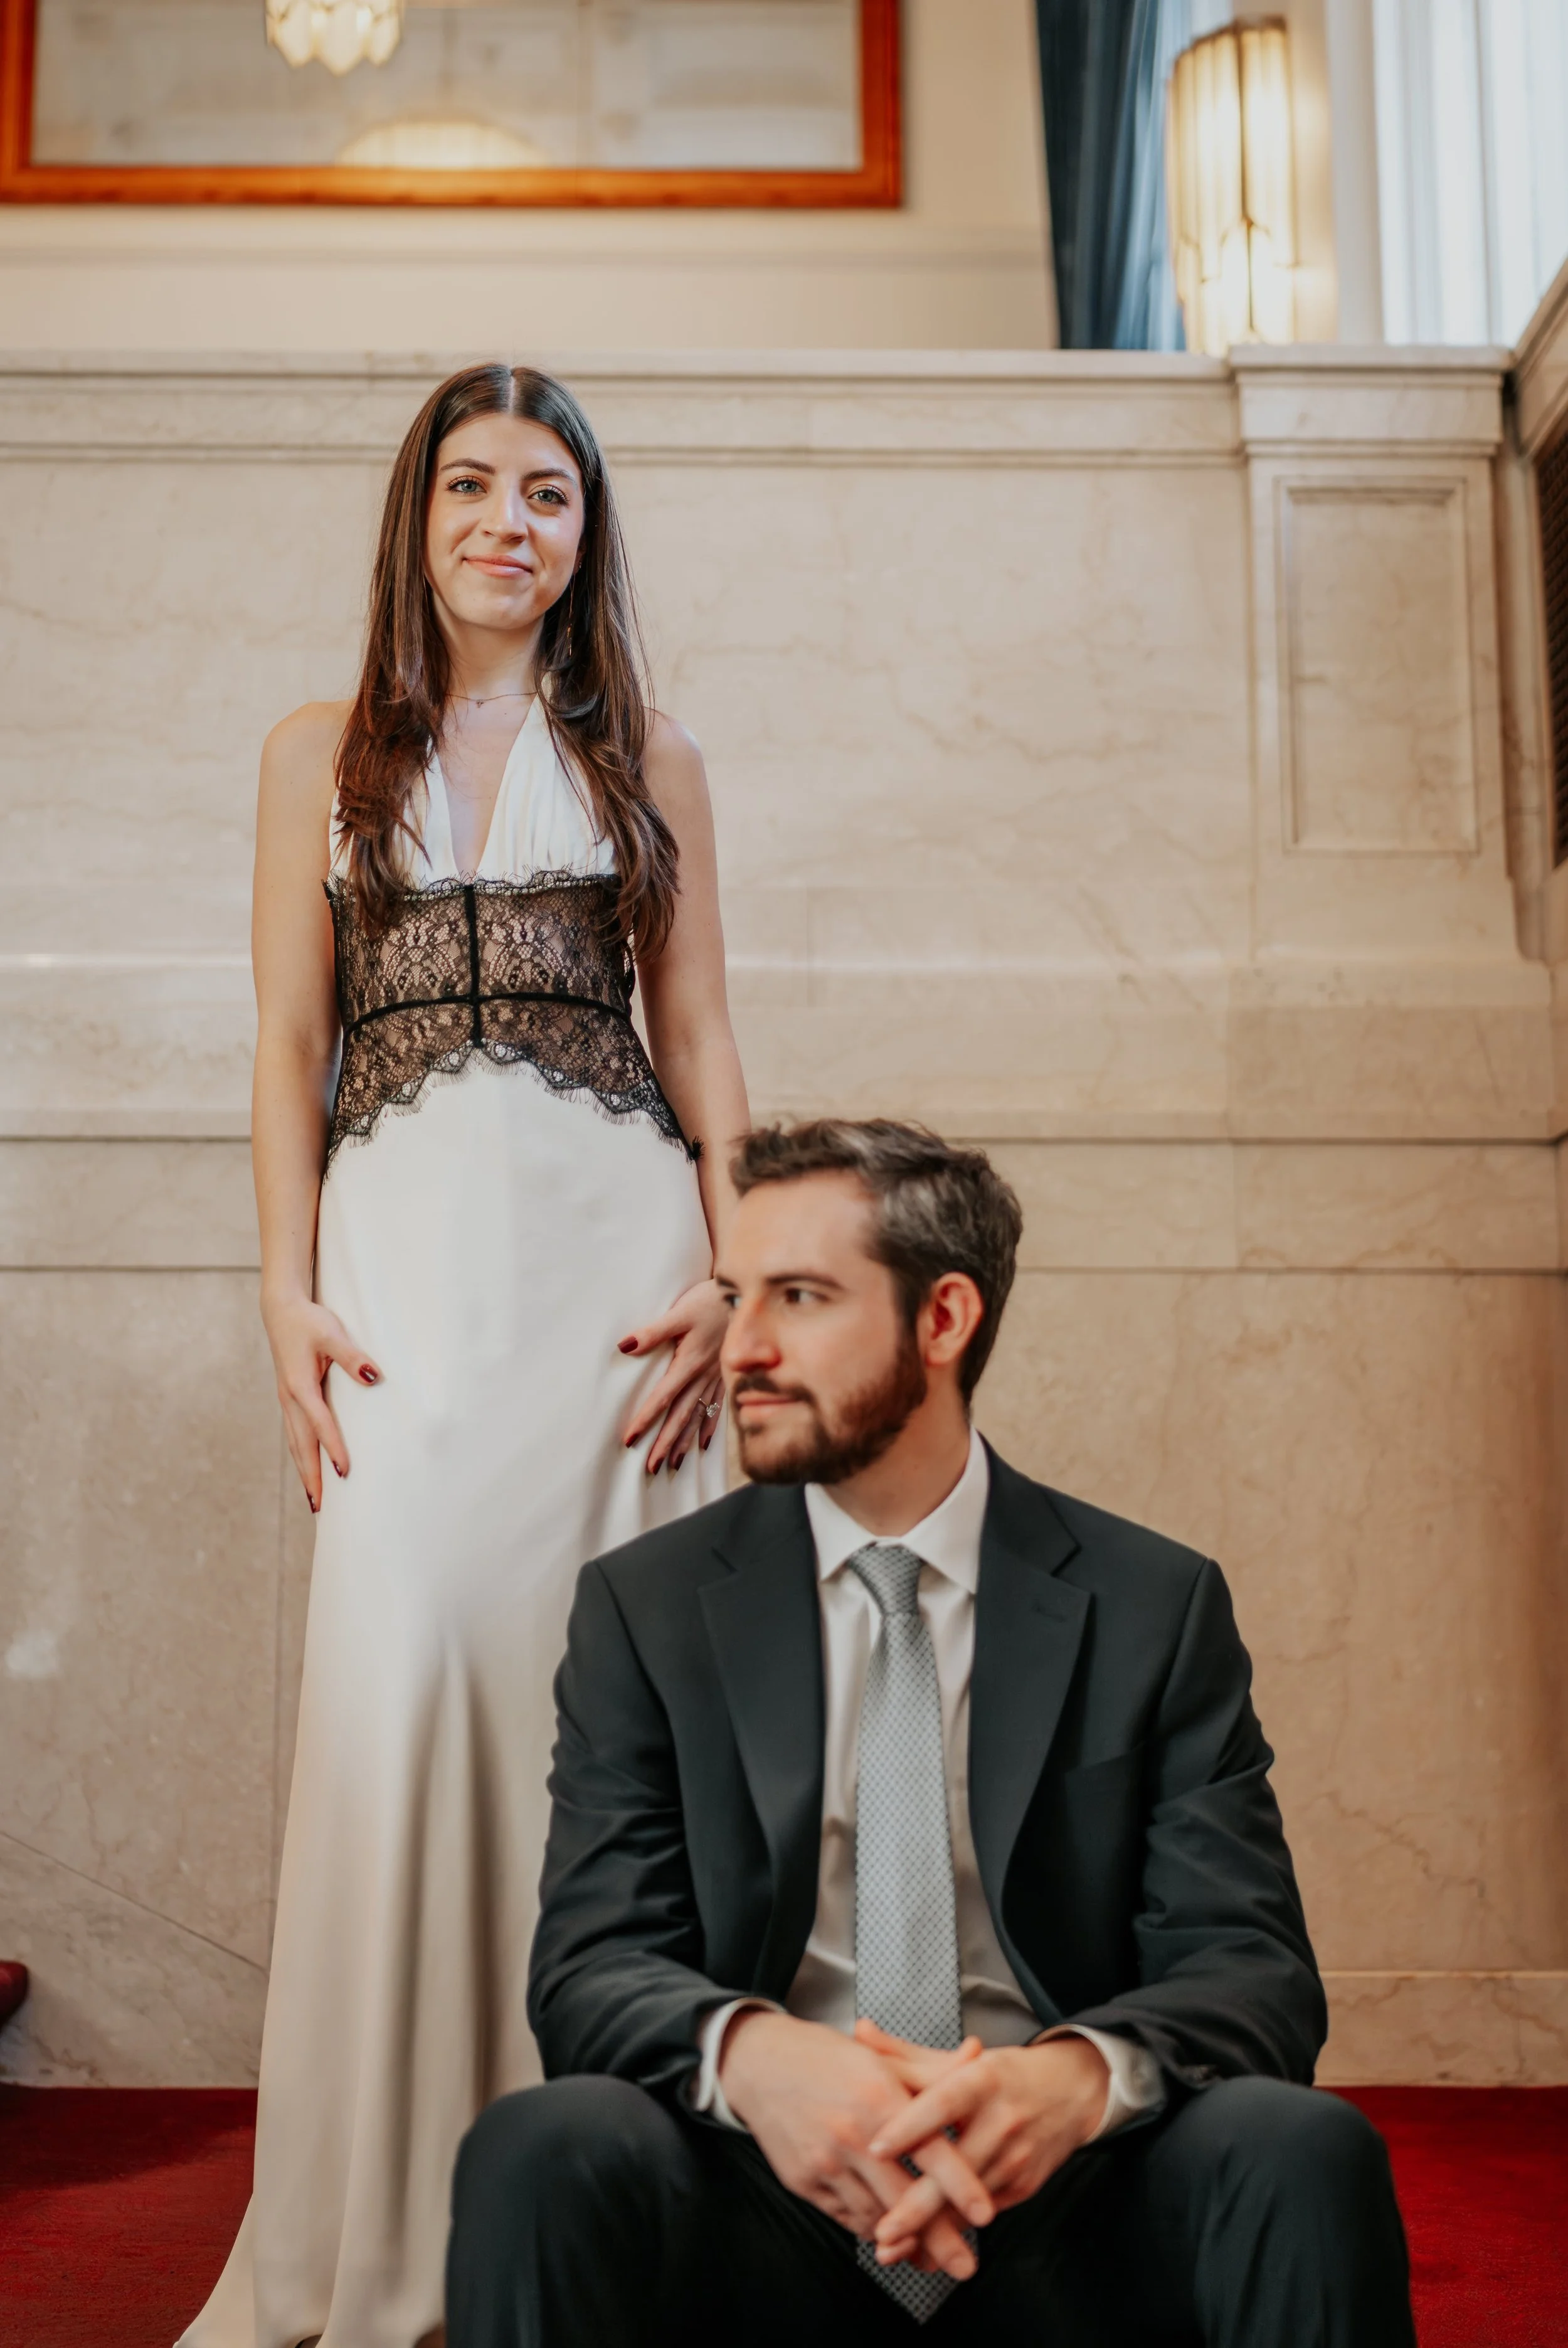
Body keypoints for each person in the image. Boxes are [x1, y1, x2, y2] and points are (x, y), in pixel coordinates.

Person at [447, 1118, 1417, 2347]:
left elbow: (1253, 1974)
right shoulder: (646, 1607)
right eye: (736, 1294)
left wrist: (1067, 2083)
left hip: (1060, 2210)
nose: (739, 1347)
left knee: (1298, 2145)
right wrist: (760, 2060)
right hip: (767, 2199)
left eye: (798, 1297)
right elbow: (589, 1967)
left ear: (941, 1318)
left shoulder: (1150, 1603)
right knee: (539, 2145)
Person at [183, 364, 748, 2348]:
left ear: (586, 536)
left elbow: (700, 1049)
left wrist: (737, 1268)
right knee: (406, 1674)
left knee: (593, 1701)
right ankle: (394, 2221)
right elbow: (284, 1048)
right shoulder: (308, 753)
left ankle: (606, 2212)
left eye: (551, 495)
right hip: (406, 1276)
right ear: (417, 514)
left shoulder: (651, 756)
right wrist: (280, 1286)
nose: (512, 520)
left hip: (616, 1273)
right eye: (475, 485)